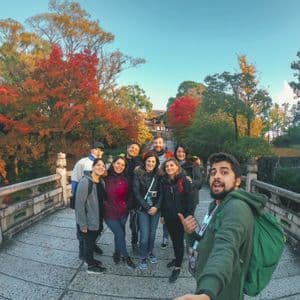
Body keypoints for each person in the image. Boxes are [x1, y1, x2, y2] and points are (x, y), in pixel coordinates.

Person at [176, 152, 266, 300]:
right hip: (209, 282)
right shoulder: (217, 205)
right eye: (213, 172)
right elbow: (207, 242)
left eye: (224, 172)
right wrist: (190, 233)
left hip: (222, 290)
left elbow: (226, 247)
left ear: (237, 181)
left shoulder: (236, 208)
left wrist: (207, 292)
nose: (216, 176)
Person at [159, 158, 193, 283]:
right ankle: (177, 258)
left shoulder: (184, 180)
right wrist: (162, 215)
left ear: (177, 167)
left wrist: (189, 217)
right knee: (174, 239)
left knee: (178, 241)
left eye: (172, 165)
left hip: (181, 217)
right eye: (167, 166)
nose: (169, 168)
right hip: (168, 216)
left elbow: (191, 200)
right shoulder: (164, 181)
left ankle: (178, 266)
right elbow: (163, 200)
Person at [71, 141, 105, 258]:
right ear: (92, 150)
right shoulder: (82, 162)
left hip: (96, 202)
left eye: (101, 149)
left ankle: (93, 245)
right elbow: (75, 180)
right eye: (96, 149)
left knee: (96, 226)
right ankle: (82, 251)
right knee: (82, 227)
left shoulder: (101, 164)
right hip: (83, 198)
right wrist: (77, 199)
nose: (99, 151)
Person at [104, 156, 136, 269]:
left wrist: (127, 206)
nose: (120, 166)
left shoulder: (126, 178)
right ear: (113, 164)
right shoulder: (105, 177)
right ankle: (126, 257)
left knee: (120, 234)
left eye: (122, 165)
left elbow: (131, 194)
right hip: (109, 213)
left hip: (123, 212)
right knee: (120, 233)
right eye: (118, 163)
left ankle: (117, 252)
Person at [75, 159, 107, 274]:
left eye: (103, 166)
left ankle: (88, 258)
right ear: (93, 167)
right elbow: (79, 205)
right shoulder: (85, 182)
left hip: (97, 217)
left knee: (91, 240)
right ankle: (90, 266)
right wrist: (82, 224)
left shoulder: (101, 181)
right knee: (88, 242)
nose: (101, 167)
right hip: (88, 219)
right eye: (98, 165)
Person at [132, 151, 161, 270]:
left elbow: (162, 193)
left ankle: (150, 252)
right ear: (145, 161)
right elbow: (136, 193)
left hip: (156, 209)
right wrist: (148, 207)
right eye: (148, 161)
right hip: (143, 209)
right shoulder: (138, 173)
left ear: (156, 163)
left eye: (153, 161)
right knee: (144, 235)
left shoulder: (159, 175)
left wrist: (156, 207)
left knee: (152, 234)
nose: (150, 163)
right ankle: (143, 256)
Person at [151, 136, 173, 249]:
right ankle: (149, 238)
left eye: (160, 143)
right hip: (152, 187)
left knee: (166, 214)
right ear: (153, 144)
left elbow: (176, 165)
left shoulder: (169, 155)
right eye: (155, 143)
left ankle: (165, 236)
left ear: (163, 144)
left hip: (165, 186)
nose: (158, 145)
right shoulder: (149, 154)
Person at [174, 144, 203, 214]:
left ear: (186, 153)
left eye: (183, 152)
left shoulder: (193, 165)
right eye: (179, 151)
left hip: (190, 199)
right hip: (176, 199)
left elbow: (200, 182)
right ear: (175, 153)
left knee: (188, 222)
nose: (181, 154)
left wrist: (192, 181)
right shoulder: (173, 165)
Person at [125, 142, 143, 253]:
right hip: (120, 197)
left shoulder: (139, 162)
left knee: (134, 224)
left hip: (134, 198)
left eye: (136, 149)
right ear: (127, 147)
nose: (133, 150)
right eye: (132, 147)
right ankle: (119, 245)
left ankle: (134, 243)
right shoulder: (120, 160)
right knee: (119, 224)